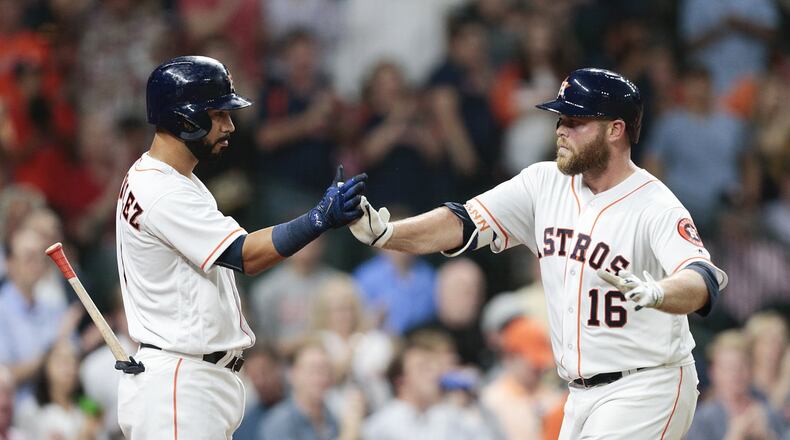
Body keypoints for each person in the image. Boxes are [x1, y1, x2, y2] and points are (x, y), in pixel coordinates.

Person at [351, 67, 728, 439]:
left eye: (576, 121)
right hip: (579, 393)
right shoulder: (543, 183)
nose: (561, 130)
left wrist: (659, 293)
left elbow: (702, 277)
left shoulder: (656, 205)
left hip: (647, 384)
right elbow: (462, 221)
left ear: (616, 129)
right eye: (560, 119)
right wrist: (388, 234)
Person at [115, 55, 366, 439]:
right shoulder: (162, 190)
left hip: (188, 379)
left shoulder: (167, 178)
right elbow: (244, 255)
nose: (229, 125)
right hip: (181, 383)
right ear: (185, 118)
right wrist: (319, 219)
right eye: (217, 114)